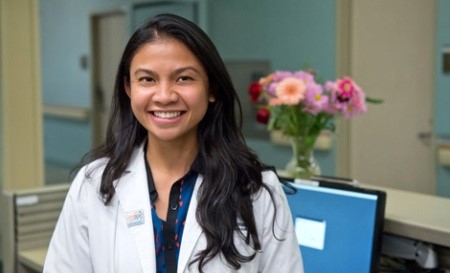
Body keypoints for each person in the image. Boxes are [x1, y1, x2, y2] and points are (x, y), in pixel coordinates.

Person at [43, 13, 303, 273]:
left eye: (184, 78)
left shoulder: (256, 189)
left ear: (211, 89)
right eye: (147, 79)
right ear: (128, 88)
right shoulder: (94, 184)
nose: (165, 96)